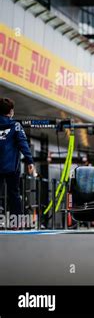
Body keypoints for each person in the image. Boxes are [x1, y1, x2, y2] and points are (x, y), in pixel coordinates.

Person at [0, 98, 36, 229]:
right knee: (14, 194)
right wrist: (30, 161)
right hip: (11, 167)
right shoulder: (15, 126)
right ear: (10, 112)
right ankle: (16, 223)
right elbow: (23, 144)